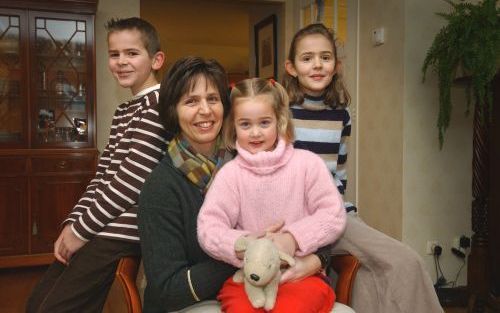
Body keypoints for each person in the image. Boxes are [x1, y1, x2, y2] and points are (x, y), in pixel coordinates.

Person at [283, 23, 443, 313]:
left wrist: (346, 215)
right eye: (307, 58)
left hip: (335, 215)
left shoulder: (341, 113)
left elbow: (339, 174)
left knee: (373, 277)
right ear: (291, 67)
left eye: (325, 57)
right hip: (299, 220)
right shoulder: (280, 113)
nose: (317, 65)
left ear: (336, 64)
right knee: (407, 261)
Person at [26, 17, 167, 313]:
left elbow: (129, 185)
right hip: (100, 227)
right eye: (114, 54)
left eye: (132, 53)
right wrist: (72, 225)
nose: (121, 62)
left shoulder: (157, 106)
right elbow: (102, 177)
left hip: (121, 234)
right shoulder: (125, 110)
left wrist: (81, 231)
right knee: (37, 303)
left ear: (156, 60)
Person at [196, 77, 347, 313]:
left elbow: (333, 215)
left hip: (300, 275)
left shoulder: (307, 164)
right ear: (233, 127)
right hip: (250, 279)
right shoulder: (230, 175)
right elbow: (208, 227)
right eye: (245, 124)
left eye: (264, 122)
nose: (255, 132)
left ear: (280, 121)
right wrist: (244, 244)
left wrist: (292, 238)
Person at [137, 56, 236, 313]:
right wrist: (245, 255)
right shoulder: (160, 186)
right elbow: (169, 289)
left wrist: (317, 257)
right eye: (191, 101)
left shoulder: (246, 164)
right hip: (186, 304)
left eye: (213, 99)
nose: (205, 110)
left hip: (245, 290)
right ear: (173, 110)